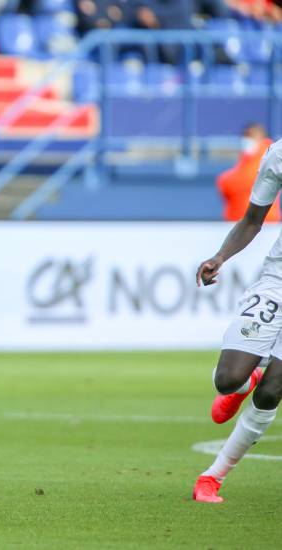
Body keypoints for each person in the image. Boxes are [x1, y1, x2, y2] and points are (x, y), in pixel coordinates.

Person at [193, 138, 282, 503]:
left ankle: (211, 477)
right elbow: (251, 220)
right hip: (278, 280)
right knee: (228, 379)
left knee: (274, 388)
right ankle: (249, 375)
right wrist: (220, 256)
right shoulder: (278, 154)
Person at [217, 124, 280, 223]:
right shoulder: (246, 157)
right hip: (238, 220)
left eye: (251, 135)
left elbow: (245, 179)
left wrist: (224, 180)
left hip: (265, 222)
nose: (247, 139)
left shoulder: (271, 154)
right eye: (246, 135)